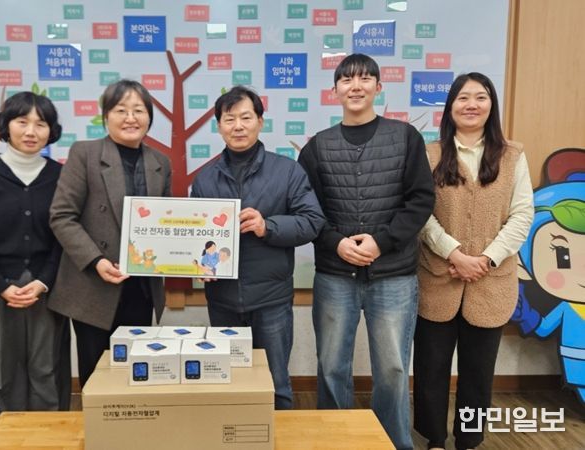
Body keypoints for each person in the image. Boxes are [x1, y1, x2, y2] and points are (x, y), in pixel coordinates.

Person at [297, 54, 435, 449]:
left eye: (364, 78)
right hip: (334, 274)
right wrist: (337, 243)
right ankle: (334, 441)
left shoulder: (405, 137)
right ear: (335, 90)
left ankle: (392, 442)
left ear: (378, 86)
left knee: (392, 368)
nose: (355, 86)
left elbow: (420, 200)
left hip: (394, 275)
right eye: (347, 80)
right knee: (331, 367)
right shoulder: (317, 147)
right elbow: (307, 210)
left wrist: (381, 241)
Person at [413, 72, 534, 450]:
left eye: (480, 97)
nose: (471, 105)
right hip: (437, 277)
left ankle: (469, 441)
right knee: (430, 370)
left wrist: (486, 258)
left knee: (478, 374)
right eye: (463, 98)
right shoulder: (430, 154)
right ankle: (434, 438)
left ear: (491, 105)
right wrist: (453, 253)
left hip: (490, 281)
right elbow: (420, 213)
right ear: (450, 106)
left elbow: (523, 215)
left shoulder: (513, 155)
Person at [191, 86, 325, 409]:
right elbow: (197, 237)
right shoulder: (205, 178)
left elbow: (312, 221)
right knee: (228, 383)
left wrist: (268, 227)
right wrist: (197, 263)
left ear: (260, 122)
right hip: (222, 300)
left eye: (246, 117)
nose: (238, 126)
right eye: (229, 119)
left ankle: (279, 433)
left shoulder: (287, 171)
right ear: (219, 126)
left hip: (271, 300)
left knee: (276, 384)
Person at [0, 92, 70, 433]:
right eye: (22, 122)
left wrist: (44, 280)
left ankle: (49, 438)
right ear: (6, 126)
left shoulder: (61, 176)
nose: (31, 131)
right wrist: (1, 286)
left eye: (41, 123)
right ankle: (2, 439)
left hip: (46, 289)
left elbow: (65, 235)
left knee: (47, 370)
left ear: (51, 131)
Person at [48, 80, 171, 386]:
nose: (131, 118)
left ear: (149, 117)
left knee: (135, 372)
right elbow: (62, 216)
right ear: (106, 116)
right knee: (97, 375)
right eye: (121, 110)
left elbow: (166, 223)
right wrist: (96, 261)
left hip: (141, 286)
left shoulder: (160, 162)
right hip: (94, 284)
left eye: (138, 110)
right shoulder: (85, 153)